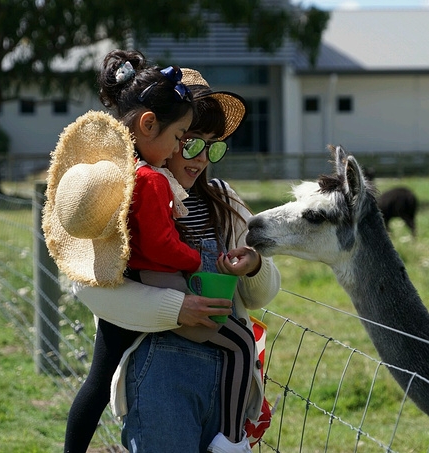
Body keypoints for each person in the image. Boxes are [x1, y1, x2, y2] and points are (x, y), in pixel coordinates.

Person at [73, 69, 281, 453]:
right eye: (188, 144)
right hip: (161, 376)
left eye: (212, 147)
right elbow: (88, 285)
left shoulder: (223, 199)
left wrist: (253, 265)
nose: (201, 159)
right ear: (161, 137)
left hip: (225, 381)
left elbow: (261, 294)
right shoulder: (127, 195)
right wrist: (177, 308)